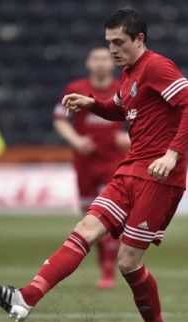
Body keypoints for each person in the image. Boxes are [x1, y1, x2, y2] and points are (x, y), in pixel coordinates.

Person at [0, 8, 188, 322]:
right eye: (108, 43)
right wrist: (93, 104)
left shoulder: (157, 66)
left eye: (119, 42)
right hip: (131, 169)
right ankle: (25, 297)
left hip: (159, 176)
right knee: (85, 229)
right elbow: (121, 108)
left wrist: (171, 153)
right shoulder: (129, 74)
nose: (113, 49)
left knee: (128, 263)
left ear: (139, 40)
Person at [52, 46, 129, 289]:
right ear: (88, 63)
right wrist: (75, 140)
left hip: (114, 162)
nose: (100, 63)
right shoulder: (76, 89)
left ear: (112, 63)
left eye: (104, 58)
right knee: (88, 217)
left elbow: (143, 120)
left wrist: (128, 139)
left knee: (105, 217)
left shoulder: (123, 88)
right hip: (85, 162)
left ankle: (108, 271)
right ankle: (103, 267)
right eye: (95, 58)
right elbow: (59, 119)